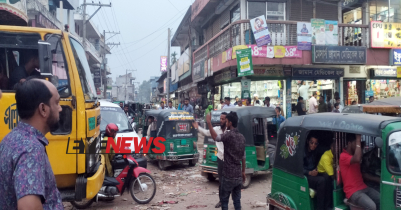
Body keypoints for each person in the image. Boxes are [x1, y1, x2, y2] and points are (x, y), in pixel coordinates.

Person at [0, 78, 63, 209]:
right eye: (57, 102)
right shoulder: (31, 149)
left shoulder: (9, 140)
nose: (60, 108)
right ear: (43, 109)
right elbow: (28, 206)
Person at [207, 112, 246, 210]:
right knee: (237, 200)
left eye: (227, 121)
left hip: (228, 175)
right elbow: (243, 156)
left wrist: (209, 123)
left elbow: (216, 137)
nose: (226, 123)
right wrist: (243, 171)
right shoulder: (242, 137)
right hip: (238, 175)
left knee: (224, 201)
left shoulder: (228, 135)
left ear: (230, 123)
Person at [192, 112, 227, 208]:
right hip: (220, 159)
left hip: (229, 160)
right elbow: (207, 132)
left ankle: (228, 201)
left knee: (229, 182)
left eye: (223, 119)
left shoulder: (229, 131)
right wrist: (197, 127)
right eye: (220, 118)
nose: (221, 120)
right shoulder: (216, 129)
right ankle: (222, 201)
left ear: (227, 120)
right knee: (221, 181)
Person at [340, 133, 380, 209]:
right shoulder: (343, 156)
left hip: (363, 187)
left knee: (381, 199)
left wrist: (359, 142)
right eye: (355, 143)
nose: (357, 145)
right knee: (372, 206)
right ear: (349, 143)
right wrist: (358, 139)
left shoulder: (353, 155)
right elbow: (357, 158)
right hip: (353, 192)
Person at [303, 135, 332, 210]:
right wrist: (309, 172)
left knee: (327, 177)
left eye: (315, 143)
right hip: (305, 176)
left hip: (313, 172)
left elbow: (326, 149)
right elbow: (298, 168)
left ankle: (327, 206)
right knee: (321, 181)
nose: (313, 145)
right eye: (311, 142)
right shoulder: (303, 152)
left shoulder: (315, 151)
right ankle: (320, 208)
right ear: (307, 142)